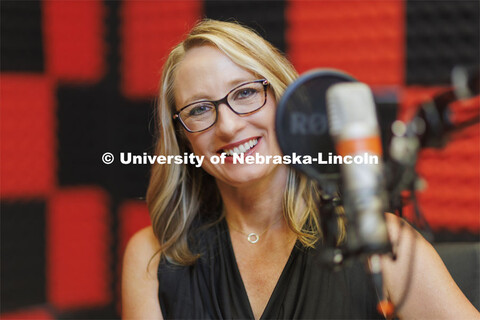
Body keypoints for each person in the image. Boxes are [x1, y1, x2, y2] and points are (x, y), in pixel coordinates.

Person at [122, 19, 479, 319]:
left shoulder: (382, 243)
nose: (228, 126)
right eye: (198, 109)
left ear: (286, 101)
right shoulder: (152, 256)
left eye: (245, 93)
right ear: (184, 138)